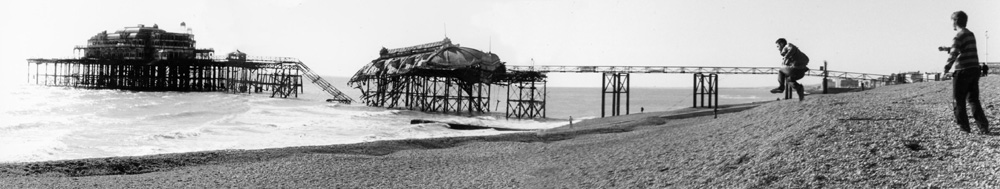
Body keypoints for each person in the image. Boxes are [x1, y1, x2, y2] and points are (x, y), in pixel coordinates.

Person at [942, 11, 989, 134]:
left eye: (951, 21)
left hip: (962, 70)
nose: (951, 23)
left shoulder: (958, 36)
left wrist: (946, 69)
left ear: (955, 21)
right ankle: (983, 126)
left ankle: (964, 127)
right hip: (974, 69)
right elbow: (963, 48)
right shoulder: (970, 34)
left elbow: (954, 53)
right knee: (973, 99)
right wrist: (947, 48)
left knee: (959, 100)